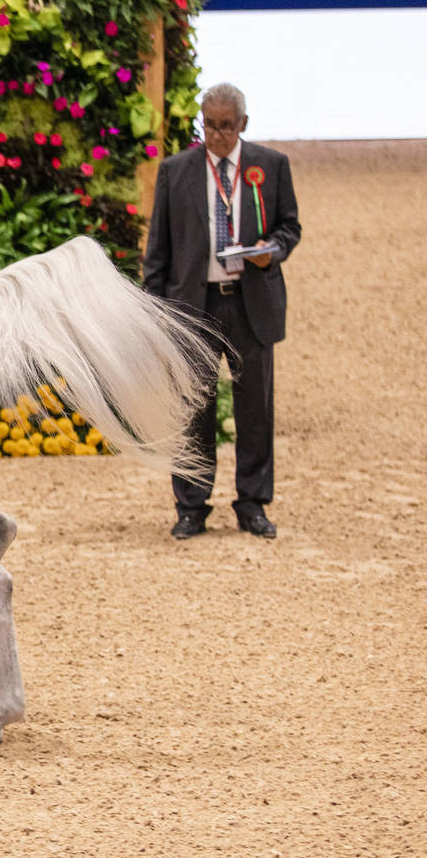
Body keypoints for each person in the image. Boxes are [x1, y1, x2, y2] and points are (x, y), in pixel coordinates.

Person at [143, 82, 301, 540]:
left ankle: (252, 504)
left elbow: (290, 226)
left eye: (225, 126)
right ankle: (191, 507)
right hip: (195, 308)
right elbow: (158, 252)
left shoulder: (271, 167)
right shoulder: (176, 171)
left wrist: (272, 250)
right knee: (194, 410)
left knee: (256, 409)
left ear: (243, 125)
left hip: (251, 304)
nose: (215, 134)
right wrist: (158, 314)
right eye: (208, 125)